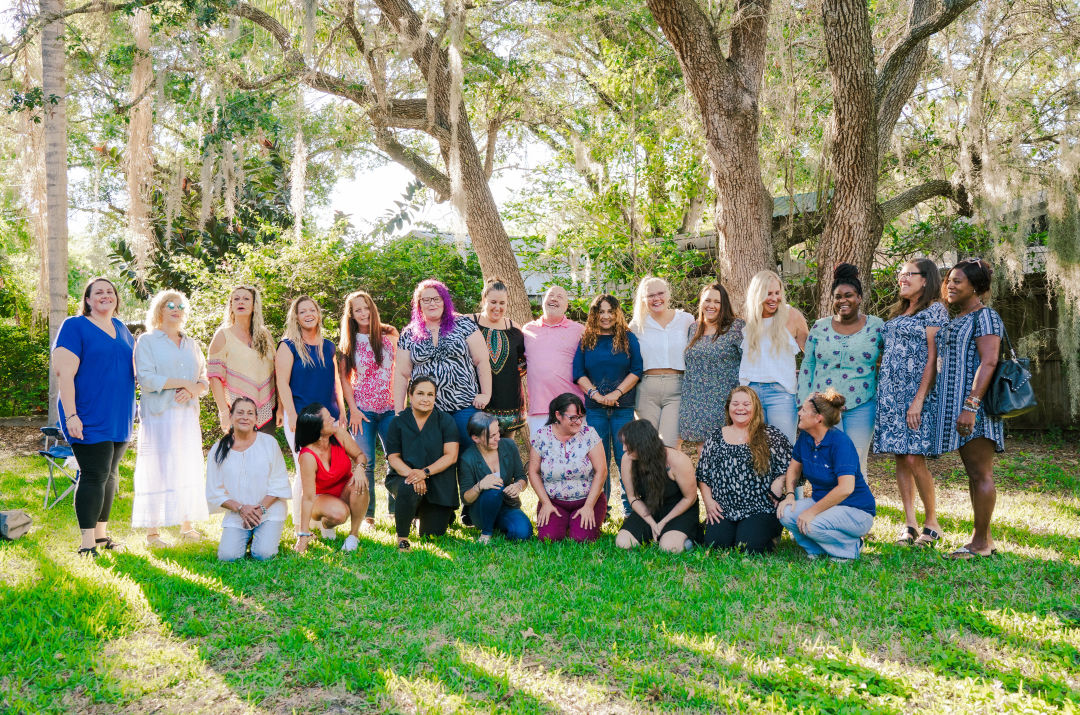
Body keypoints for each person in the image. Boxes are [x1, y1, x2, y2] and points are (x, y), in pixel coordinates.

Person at [52, 277, 136, 557]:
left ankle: (101, 537)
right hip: (86, 414)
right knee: (93, 474)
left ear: (116, 298)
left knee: (110, 475)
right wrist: (71, 414)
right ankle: (86, 543)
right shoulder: (75, 326)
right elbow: (65, 374)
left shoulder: (123, 329)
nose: (105, 295)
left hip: (119, 415)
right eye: (98, 292)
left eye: (110, 291)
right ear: (87, 299)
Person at [874, 258, 950, 547]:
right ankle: (910, 523)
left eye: (909, 275)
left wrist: (918, 400)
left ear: (925, 279)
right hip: (891, 395)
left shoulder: (935, 310)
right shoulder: (901, 311)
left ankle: (932, 522)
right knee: (899, 456)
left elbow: (933, 358)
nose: (902, 279)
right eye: (900, 274)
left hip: (916, 395)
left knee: (913, 457)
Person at [933, 258, 1005, 559]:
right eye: (948, 280)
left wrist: (971, 406)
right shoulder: (959, 316)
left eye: (958, 281)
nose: (950, 285)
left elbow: (988, 362)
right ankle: (983, 539)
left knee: (980, 474)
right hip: (960, 409)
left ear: (975, 286)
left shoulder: (984, 317)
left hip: (975, 409)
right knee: (973, 475)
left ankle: (980, 543)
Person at [132, 290, 210, 547]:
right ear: (159, 310)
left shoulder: (192, 344)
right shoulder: (147, 341)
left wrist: (192, 390)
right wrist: (182, 383)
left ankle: (186, 525)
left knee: (186, 466)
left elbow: (204, 381)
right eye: (170, 305)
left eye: (181, 306)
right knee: (157, 469)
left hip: (187, 416)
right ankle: (153, 533)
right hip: (159, 415)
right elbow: (146, 378)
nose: (176, 309)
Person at [797, 264, 884, 474]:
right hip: (822, 407)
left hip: (861, 405)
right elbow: (807, 365)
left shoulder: (877, 326)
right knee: (826, 460)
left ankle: (857, 506)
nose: (843, 301)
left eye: (849, 295)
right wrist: (804, 402)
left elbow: (889, 363)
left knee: (855, 460)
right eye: (837, 296)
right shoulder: (819, 326)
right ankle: (828, 506)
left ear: (860, 298)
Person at [776, 390, 876, 561]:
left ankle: (851, 548)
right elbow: (793, 469)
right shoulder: (806, 438)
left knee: (811, 522)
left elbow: (846, 488)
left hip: (856, 511)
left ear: (818, 418)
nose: (799, 412)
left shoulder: (840, 443)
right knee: (785, 512)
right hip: (824, 504)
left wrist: (811, 512)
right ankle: (817, 549)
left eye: (804, 410)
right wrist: (790, 495)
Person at [275, 295, 344, 535]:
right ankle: (300, 526)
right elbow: (282, 382)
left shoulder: (328, 346)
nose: (308, 314)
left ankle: (324, 524)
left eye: (311, 309)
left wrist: (342, 412)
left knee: (328, 470)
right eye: (302, 311)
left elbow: (335, 382)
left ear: (318, 313)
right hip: (301, 418)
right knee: (305, 470)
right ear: (296, 316)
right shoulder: (288, 345)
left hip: (329, 419)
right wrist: (290, 413)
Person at [393, 279, 491, 447]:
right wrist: (399, 412)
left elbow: (481, 360)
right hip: (427, 410)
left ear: (445, 301)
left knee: (470, 456)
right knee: (436, 460)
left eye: (437, 298)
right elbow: (402, 374)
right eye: (426, 300)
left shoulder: (464, 324)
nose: (432, 303)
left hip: (465, 404)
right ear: (419, 304)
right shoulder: (409, 334)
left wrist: (485, 394)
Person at [696, 387, 790, 553]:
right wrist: (709, 502)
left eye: (746, 404)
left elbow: (794, 465)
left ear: (755, 408)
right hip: (724, 508)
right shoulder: (716, 437)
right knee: (716, 547)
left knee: (747, 548)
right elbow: (703, 474)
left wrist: (780, 480)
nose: (741, 408)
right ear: (728, 407)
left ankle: (769, 534)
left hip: (759, 507)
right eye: (736, 403)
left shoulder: (769, 434)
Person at [572, 294, 642, 514]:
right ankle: (602, 509)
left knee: (625, 457)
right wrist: (596, 395)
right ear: (594, 314)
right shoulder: (586, 339)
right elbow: (578, 373)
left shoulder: (628, 338)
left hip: (623, 408)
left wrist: (616, 393)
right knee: (598, 461)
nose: (605, 316)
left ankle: (630, 509)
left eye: (610, 311)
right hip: (595, 410)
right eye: (601, 311)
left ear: (617, 313)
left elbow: (637, 370)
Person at [338, 290, 399, 527]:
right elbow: (345, 380)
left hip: (390, 408)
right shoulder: (348, 343)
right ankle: (368, 515)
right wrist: (352, 409)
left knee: (396, 458)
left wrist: (401, 405)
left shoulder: (389, 333)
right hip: (362, 411)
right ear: (351, 315)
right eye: (357, 310)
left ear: (372, 308)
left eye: (366, 308)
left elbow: (401, 367)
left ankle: (395, 511)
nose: (363, 313)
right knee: (365, 462)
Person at [206, 398, 292, 561]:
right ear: (231, 417)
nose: (245, 417)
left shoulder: (269, 443)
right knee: (227, 556)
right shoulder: (218, 449)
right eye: (240, 412)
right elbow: (214, 491)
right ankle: (248, 535)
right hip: (238, 512)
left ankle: (261, 535)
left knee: (263, 554)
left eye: (250, 413)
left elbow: (278, 483)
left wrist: (259, 510)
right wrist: (241, 509)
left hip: (268, 510)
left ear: (256, 420)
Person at [385, 376, 461, 551]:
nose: (425, 399)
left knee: (431, 535)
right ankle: (402, 539)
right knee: (408, 487)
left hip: (437, 481)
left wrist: (424, 472)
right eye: (420, 393)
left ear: (435, 397)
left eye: (430, 394)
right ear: (410, 395)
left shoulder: (445, 420)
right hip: (405, 477)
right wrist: (414, 475)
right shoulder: (398, 422)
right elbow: (393, 457)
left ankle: (437, 514)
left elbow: (451, 456)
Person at [739, 270, 809, 444]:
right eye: (768, 294)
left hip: (781, 394)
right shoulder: (747, 319)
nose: (774, 298)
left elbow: (811, 355)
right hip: (751, 393)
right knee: (754, 450)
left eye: (777, 293)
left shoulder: (791, 315)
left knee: (784, 449)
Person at [527, 393, 608, 542]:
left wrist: (589, 506)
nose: (578, 422)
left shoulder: (589, 434)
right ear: (558, 415)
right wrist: (545, 503)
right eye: (573, 418)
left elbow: (601, 471)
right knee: (549, 538)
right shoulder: (542, 436)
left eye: (580, 417)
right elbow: (533, 471)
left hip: (587, 500)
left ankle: (578, 523)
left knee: (582, 539)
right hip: (554, 501)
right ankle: (565, 522)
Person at [293, 403, 370, 554]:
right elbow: (307, 497)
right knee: (340, 514)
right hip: (320, 498)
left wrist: (360, 469)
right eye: (329, 419)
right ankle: (326, 524)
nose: (333, 419)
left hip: (345, 489)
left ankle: (353, 536)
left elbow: (359, 456)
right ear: (319, 430)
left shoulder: (339, 434)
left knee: (360, 484)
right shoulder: (308, 456)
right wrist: (302, 535)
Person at [628, 276, 696, 447]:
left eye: (660, 293)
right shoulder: (636, 325)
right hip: (646, 389)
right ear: (643, 299)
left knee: (670, 446)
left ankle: (672, 475)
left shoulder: (686, 320)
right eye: (650, 295)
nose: (656, 298)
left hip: (677, 389)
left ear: (668, 294)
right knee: (647, 447)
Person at [679, 283, 745, 451]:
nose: (711, 305)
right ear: (701, 302)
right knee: (703, 449)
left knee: (727, 448)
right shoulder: (693, 329)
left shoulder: (736, 327)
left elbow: (749, 362)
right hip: (696, 400)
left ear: (724, 305)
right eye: (707, 300)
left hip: (725, 399)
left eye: (717, 302)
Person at [615, 420, 699, 553]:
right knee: (623, 543)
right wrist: (652, 523)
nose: (624, 449)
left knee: (669, 548)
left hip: (679, 509)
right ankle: (656, 534)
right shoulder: (628, 459)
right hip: (649, 508)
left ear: (643, 445)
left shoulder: (677, 460)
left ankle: (684, 539)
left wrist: (664, 522)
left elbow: (690, 498)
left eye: (628, 445)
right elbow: (633, 497)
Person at [207, 285, 278, 435]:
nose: (241, 302)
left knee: (264, 455)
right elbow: (214, 378)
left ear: (254, 305)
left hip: (268, 409)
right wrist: (224, 412)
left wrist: (282, 409)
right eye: (236, 299)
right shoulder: (223, 335)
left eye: (246, 299)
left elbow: (277, 373)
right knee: (240, 455)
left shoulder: (265, 335)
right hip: (237, 412)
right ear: (231, 305)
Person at [458, 412, 533, 543]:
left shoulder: (509, 446)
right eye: (492, 436)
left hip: (507, 505)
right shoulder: (467, 458)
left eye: (498, 432)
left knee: (523, 533)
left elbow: (521, 476)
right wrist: (480, 485)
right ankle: (486, 533)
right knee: (493, 488)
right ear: (476, 438)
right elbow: (466, 498)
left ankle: (500, 524)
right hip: (481, 509)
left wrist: (518, 486)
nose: (498, 438)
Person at [522, 285, 585, 437]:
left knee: (575, 458)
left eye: (560, 296)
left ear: (566, 306)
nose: (554, 299)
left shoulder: (579, 331)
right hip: (539, 410)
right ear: (543, 300)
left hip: (572, 409)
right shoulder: (527, 330)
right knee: (542, 458)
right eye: (550, 295)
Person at [471, 278, 527, 435]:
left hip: (509, 402)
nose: (497, 307)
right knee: (480, 448)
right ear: (484, 300)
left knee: (506, 451)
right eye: (493, 302)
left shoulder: (514, 328)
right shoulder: (469, 323)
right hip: (478, 402)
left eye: (502, 303)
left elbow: (524, 362)